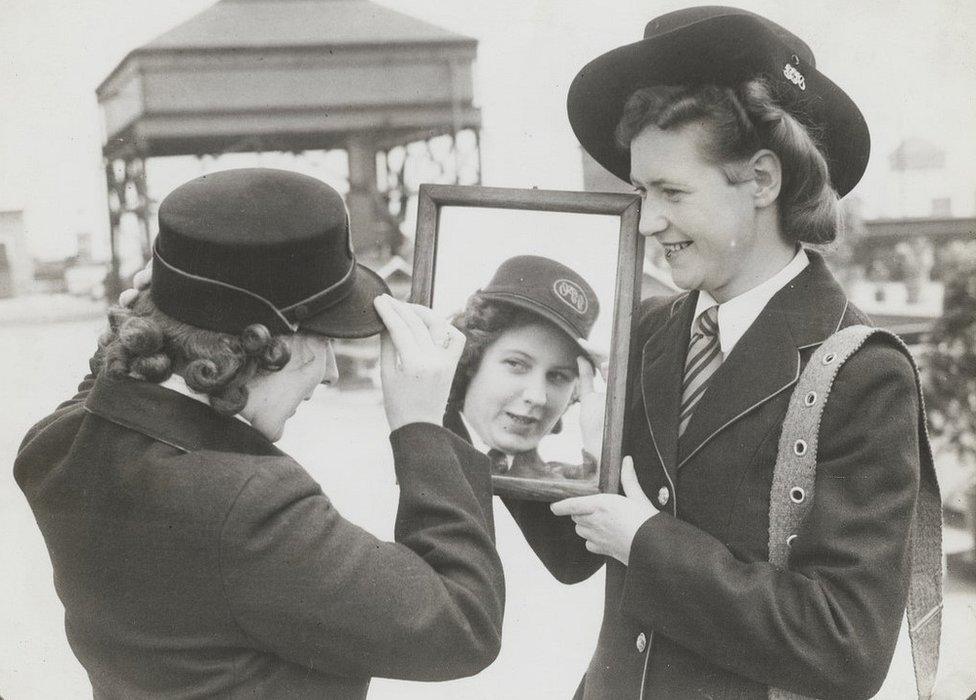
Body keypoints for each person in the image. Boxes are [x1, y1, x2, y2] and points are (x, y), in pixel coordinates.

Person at [509, 7, 940, 699]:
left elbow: (847, 647)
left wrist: (646, 543)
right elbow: (573, 555)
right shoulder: (648, 328)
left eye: (672, 192)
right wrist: (499, 432)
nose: (647, 222)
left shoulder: (862, 370)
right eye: (641, 191)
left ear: (763, 180)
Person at [14, 168, 504, 698]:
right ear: (266, 342)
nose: (333, 373)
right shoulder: (250, 508)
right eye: (325, 343)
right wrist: (421, 431)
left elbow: (102, 386)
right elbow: (462, 625)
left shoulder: (54, 445)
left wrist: (160, 309)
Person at [444, 255, 603, 481]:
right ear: (471, 359)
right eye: (516, 364)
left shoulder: (568, 487)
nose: (537, 397)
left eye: (558, 376)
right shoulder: (409, 450)